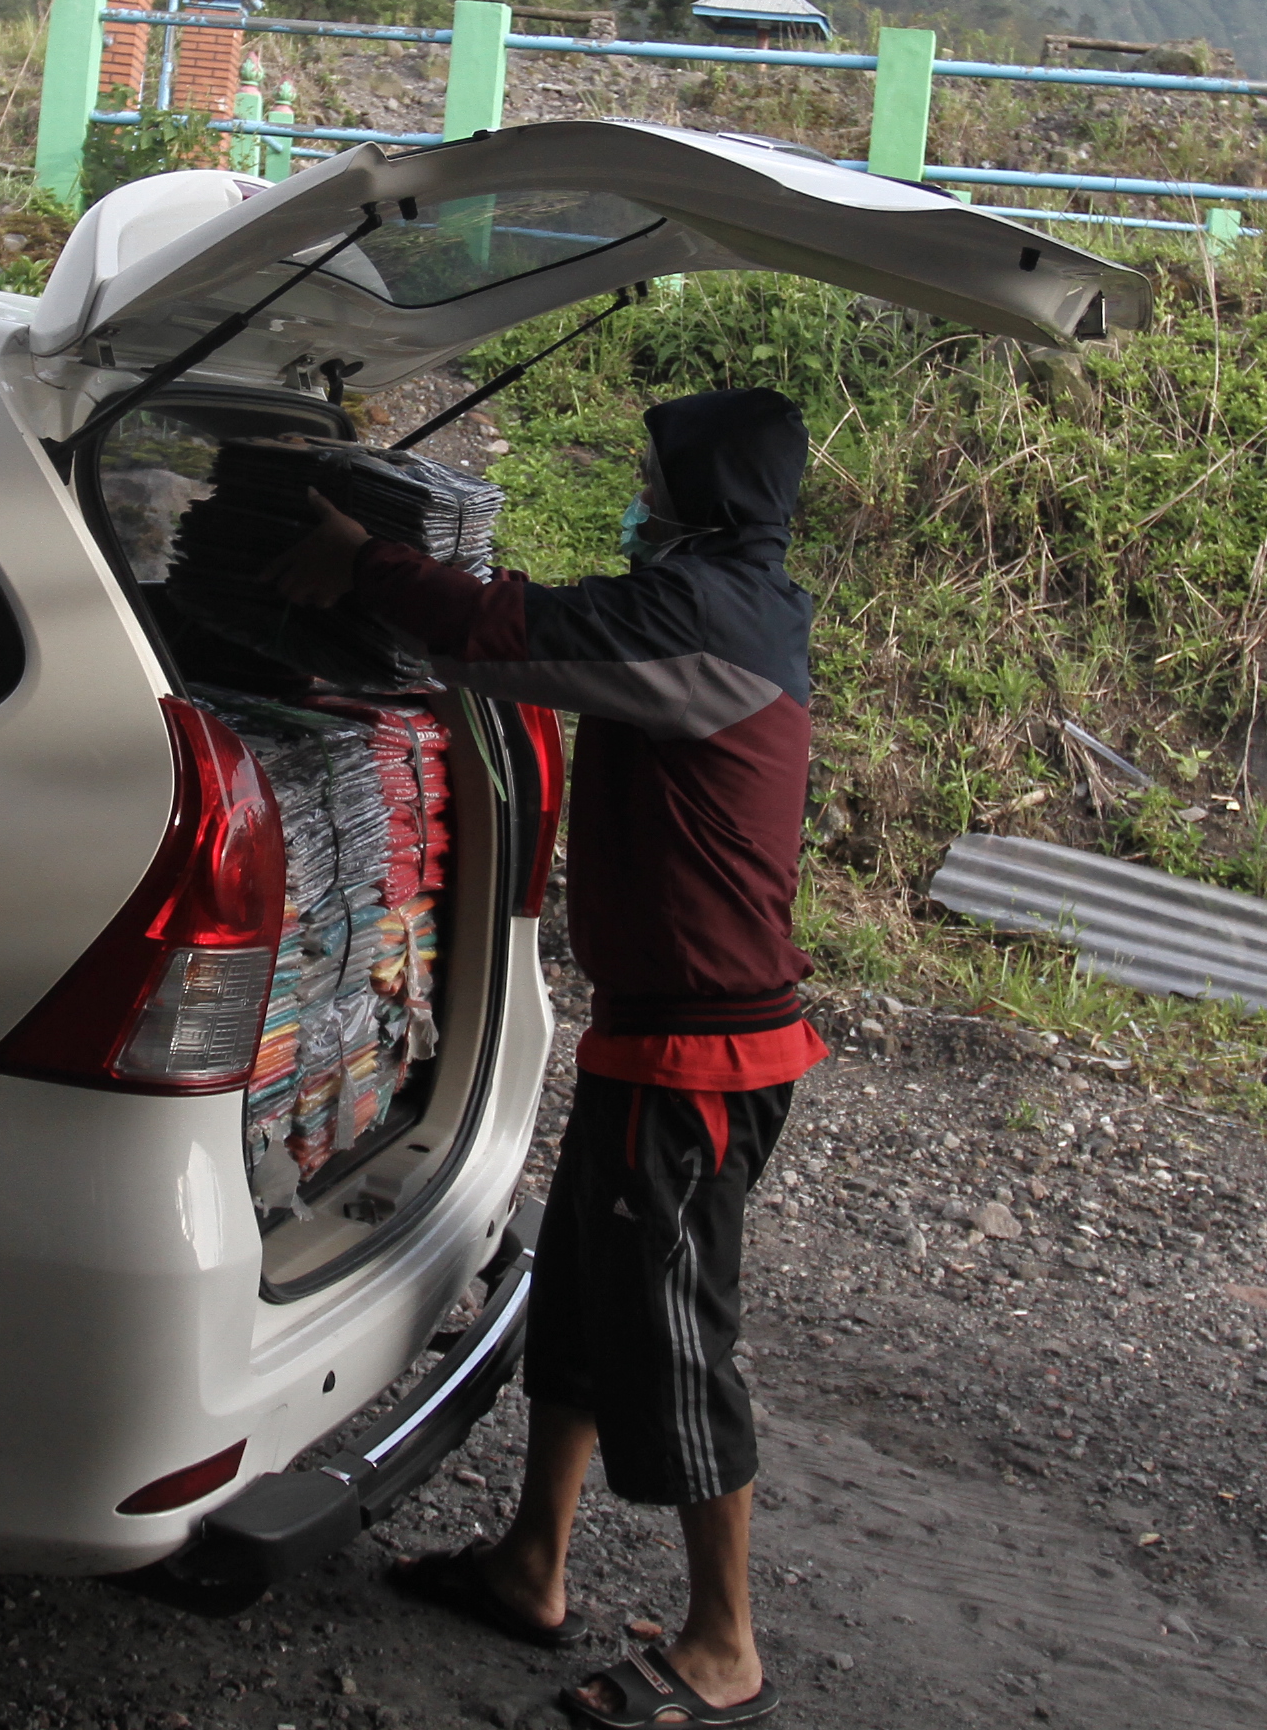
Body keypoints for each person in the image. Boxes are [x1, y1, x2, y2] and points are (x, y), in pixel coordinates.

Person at [267, 386, 827, 1730]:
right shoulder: (728, 595)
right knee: (580, 1309)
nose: (639, 492)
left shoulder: (703, 619)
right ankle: (533, 1562)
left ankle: (723, 1645)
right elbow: (546, 621)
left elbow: (513, 636)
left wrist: (371, 559)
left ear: (703, 494)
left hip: (704, 1060)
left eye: (653, 474)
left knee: (677, 1340)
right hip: (659, 1038)